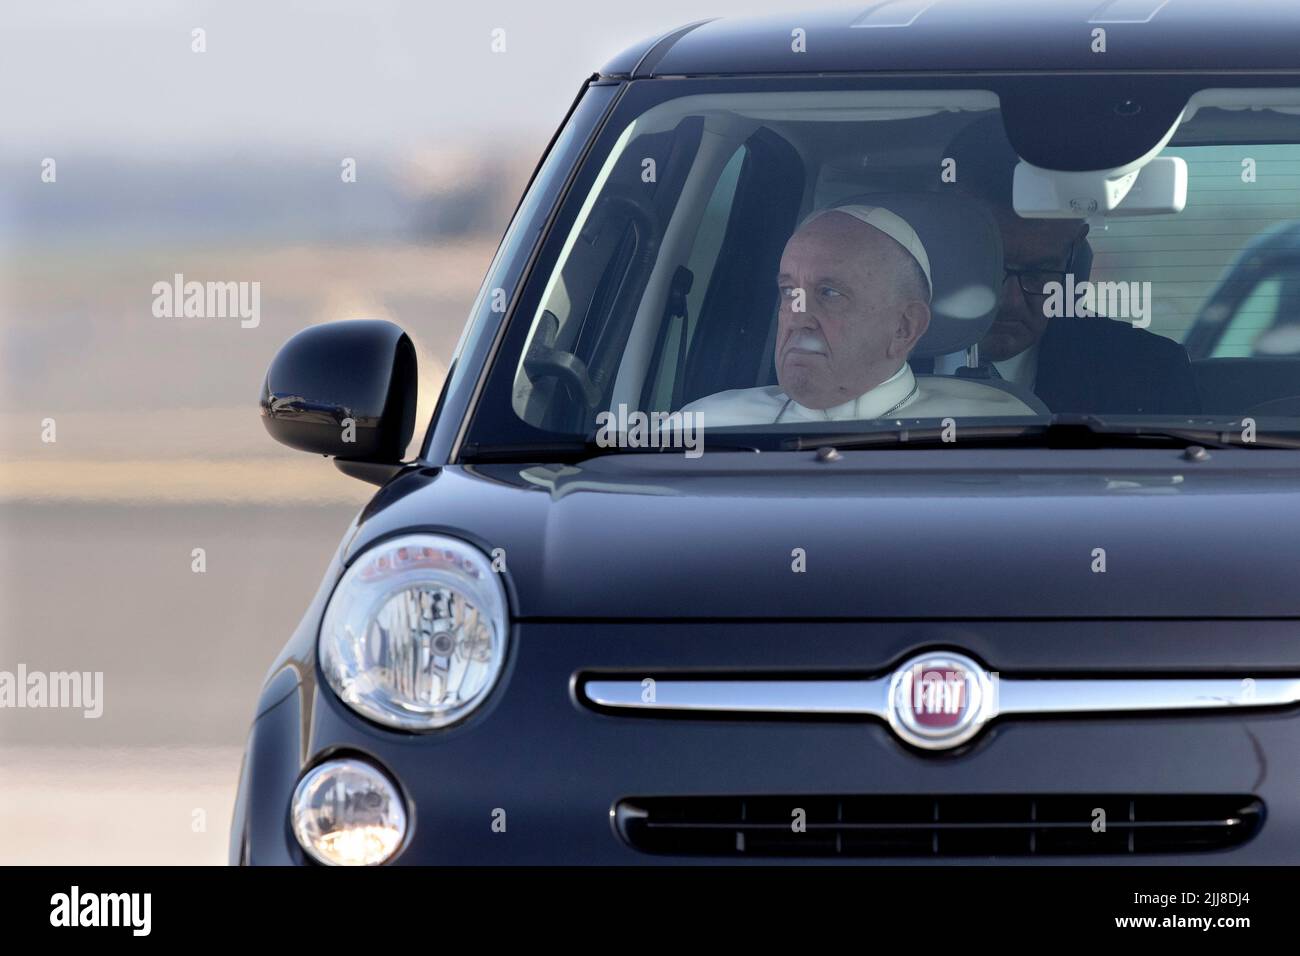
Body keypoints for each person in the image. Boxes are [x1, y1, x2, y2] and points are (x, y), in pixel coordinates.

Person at [681, 204, 1037, 426]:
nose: (797, 316)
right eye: (789, 291)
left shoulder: (994, 433)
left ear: (904, 327)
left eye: (830, 293)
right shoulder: (701, 428)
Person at [946, 117, 1201, 414]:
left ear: (1075, 250)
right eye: (988, 268)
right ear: (937, 243)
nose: (1010, 301)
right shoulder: (879, 363)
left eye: (1039, 272)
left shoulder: (1148, 372)